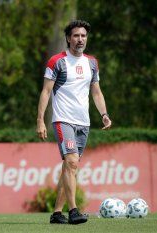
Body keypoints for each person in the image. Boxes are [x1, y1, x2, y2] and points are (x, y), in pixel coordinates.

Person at [36, 20, 112, 225]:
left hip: (83, 123)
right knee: (71, 162)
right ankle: (74, 211)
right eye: (76, 36)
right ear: (69, 38)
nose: (80, 39)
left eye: (83, 36)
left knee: (69, 167)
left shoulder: (92, 63)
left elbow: (96, 91)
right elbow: (46, 91)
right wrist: (40, 120)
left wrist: (104, 114)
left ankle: (57, 213)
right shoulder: (57, 61)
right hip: (63, 120)